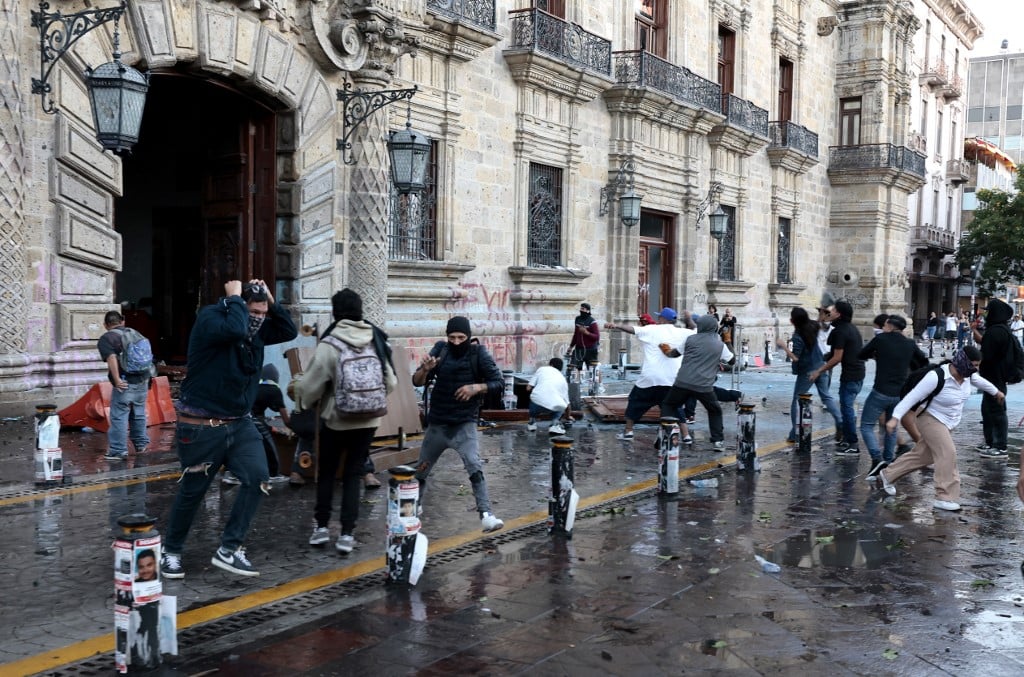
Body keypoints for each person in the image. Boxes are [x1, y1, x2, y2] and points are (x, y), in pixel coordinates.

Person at [160, 279, 297, 579]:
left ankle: (230, 548)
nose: (258, 319)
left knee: (258, 478)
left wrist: (271, 301)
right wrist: (234, 296)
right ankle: (170, 551)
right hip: (201, 427)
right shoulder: (211, 319)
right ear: (236, 306)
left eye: (263, 312)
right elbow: (235, 329)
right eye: (253, 311)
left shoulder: (257, 332)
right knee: (192, 492)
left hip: (240, 424)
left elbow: (289, 330)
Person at [291, 289, 398, 554]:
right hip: (369, 422)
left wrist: (297, 391)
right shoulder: (376, 339)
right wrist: (368, 401)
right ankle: (347, 534)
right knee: (353, 474)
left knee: (327, 472)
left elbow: (309, 387)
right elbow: (392, 382)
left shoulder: (331, 344)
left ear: (335, 312)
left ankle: (322, 528)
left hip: (336, 421)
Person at [877, 346, 1003, 511]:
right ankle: (944, 496)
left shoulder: (969, 376)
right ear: (961, 361)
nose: (975, 369)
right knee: (947, 453)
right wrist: (895, 418)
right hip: (929, 417)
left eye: (978, 365)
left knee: (923, 455)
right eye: (973, 364)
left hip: (948, 422)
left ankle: (887, 474)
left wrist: (996, 392)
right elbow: (911, 398)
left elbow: (981, 381)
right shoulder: (936, 376)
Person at [411, 316, 505, 533]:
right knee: (421, 470)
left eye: (461, 337)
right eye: (451, 337)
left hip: (464, 423)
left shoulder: (478, 354)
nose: (455, 342)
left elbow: (498, 383)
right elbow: (416, 381)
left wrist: (476, 388)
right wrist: (425, 369)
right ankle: (412, 510)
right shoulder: (440, 350)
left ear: (468, 336)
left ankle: (486, 515)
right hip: (438, 424)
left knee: (474, 466)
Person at [857, 315, 928, 479]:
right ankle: (888, 461)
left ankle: (876, 458)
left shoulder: (881, 339)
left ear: (889, 325)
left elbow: (862, 354)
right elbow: (923, 362)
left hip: (880, 390)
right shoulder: (909, 343)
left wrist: (877, 356)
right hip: (900, 393)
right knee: (892, 427)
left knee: (866, 425)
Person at [605, 307, 691, 440]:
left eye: (659, 317)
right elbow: (699, 331)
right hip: (672, 379)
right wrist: (689, 319)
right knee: (676, 407)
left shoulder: (652, 329)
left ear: (662, 319)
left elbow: (633, 329)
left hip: (650, 378)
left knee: (635, 402)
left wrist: (616, 325)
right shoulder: (683, 332)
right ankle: (686, 435)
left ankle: (628, 431)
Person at [659, 315, 734, 451]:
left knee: (669, 405)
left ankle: (665, 434)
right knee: (715, 410)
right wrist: (728, 341)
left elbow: (674, 354)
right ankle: (717, 441)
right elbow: (732, 361)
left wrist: (666, 351)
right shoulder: (719, 345)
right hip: (703, 386)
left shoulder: (690, 339)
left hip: (682, 382)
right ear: (714, 328)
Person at [776, 307, 842, 444]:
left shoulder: (798, 335)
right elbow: (819, 322)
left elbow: (796, 358)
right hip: (821, 366)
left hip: (807, 370)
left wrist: (784, 346)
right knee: (826, 396)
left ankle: (794, 433)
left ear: (793, 321)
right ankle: (840, 419)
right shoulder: (812, 326)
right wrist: (822, 315)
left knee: (796, 401)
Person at [809, 300, 864, 455]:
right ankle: (847, 439)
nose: (829, 312)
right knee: (847, 408)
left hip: (851, 376)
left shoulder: (840, 331)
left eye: (832, 310)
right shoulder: (850, 328)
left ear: (838, 314)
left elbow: (837, 358)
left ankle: (853, 444)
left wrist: (819, 371)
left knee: (846, 409)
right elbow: (834, 353)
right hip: (857, 374)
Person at [97, 311, 151, 461]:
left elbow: (112, 357)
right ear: (123, 321)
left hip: (125, 382)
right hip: (143, 380)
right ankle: (141, 445)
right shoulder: (135, 333)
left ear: (105, 325)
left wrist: (116, 379)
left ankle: (118, 450)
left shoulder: (107, 338)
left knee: (119, 416)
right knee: (138, 414)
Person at [231, 364, 290, 486]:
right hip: (252, 418)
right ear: (275, 377)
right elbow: (284, 416)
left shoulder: (255, 386)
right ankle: (273, 474)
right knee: (269, 444)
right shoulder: (274, 389)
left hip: (238, 418)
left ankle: (233, 475)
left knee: (240, 447)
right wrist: (292, 427)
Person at [976, 298, 1015, 459]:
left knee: (996, 411)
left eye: (988, 311)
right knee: (988, 410)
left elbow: (986, 353)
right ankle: (991, 442)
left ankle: (1000, 446)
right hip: (992, 376)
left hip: (995, 376)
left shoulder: (997, 331)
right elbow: (984, 343)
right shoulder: (999, 329)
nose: (986, 314)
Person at [525, 357, 570, 434]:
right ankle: (554, 424)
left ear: (551, 365)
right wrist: (568, 416)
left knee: (534, 396)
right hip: (554, 407)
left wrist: (539, 390)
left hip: (537, 404)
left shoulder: (542, 369)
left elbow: (528, 388)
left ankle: (532, 422)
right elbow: (568, 404)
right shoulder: (563, 379)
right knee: (562, 403)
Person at [568, 302, 600, 369]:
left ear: (588, 311)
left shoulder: (592, 322)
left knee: (592, 370)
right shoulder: (577, 319)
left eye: (583, 309)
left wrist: (586, 333)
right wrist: (571, 346)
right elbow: (576, 334)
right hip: (579, 349)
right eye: (580, 308)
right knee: (573, 367)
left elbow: (597, 337)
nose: (581, 310)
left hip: (591, 350)